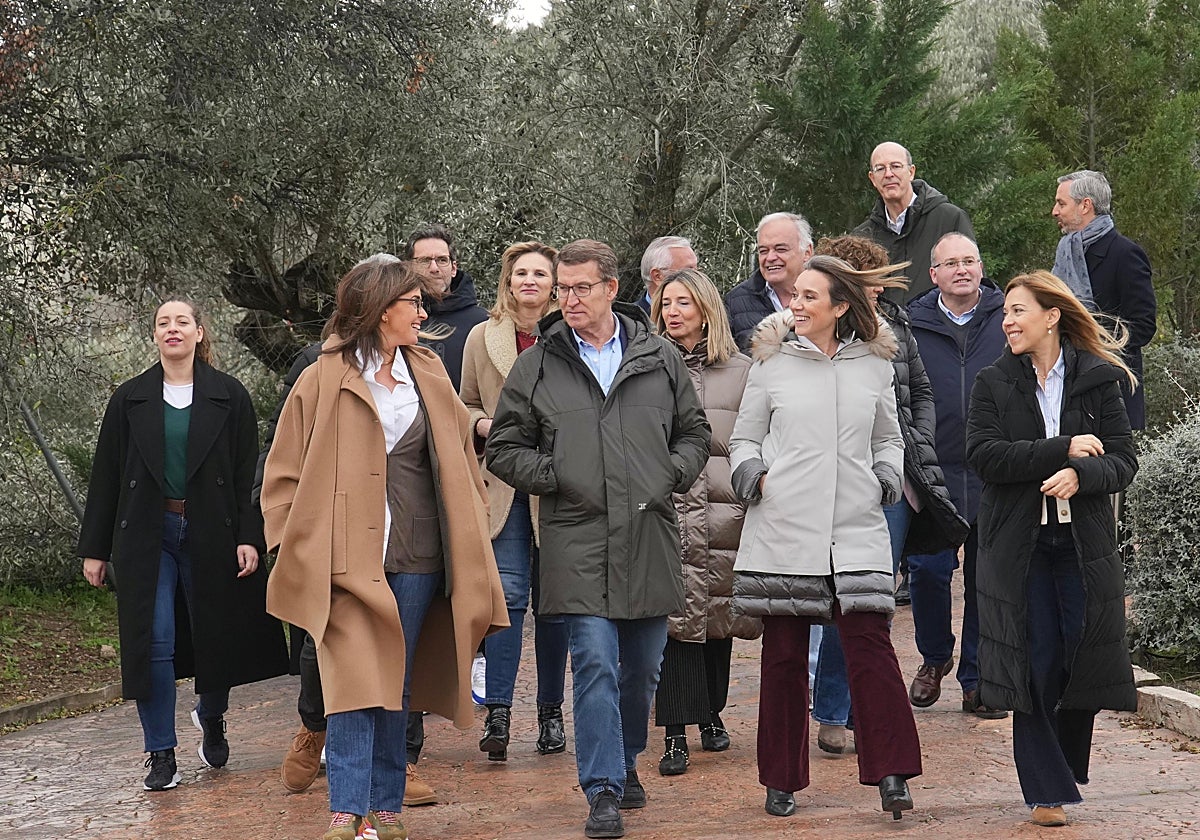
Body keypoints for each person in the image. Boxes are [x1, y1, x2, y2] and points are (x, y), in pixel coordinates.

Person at [262, 254, 507, 840]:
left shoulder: (428, 370)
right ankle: (347, 809)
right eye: (413, 303)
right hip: (345, 557)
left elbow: (459, 455)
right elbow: (283, 471)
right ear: (379, 311)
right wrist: (287, 544)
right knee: (350, 682)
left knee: (396, 683)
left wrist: (472, 522)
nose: (424, 312)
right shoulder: (322, 376)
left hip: (420, 552)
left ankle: (388, 806)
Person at [486, 239, 710, 839]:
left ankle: (627, 755)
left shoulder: (659, 357)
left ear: (612, 289)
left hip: (647, 534)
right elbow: (502, 448)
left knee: (640, 671)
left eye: (581, 287)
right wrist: (558, 475)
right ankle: (603, 788)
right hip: (576, 539)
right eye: (563, 288)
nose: (570, 299)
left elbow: (695, 434)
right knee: (593, 664)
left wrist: (669, 475)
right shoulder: (537, 365)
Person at [730, 255, 922, 820]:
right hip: (784, 528)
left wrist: (886, 478)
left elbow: (890, 438)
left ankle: (892, 774)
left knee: (871, 647)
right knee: (784, 656)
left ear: (840, 307)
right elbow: (743, 439)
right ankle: (780, 778)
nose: (797, 303)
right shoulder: (769, 363)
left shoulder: (875, 365)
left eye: (811, 296)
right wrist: (754, 478)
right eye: (796, 294)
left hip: (857, 527)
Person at [78, 299, 288, 792]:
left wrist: (249, 537)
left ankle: (212, 717)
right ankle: (160, 752)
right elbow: (106, 476)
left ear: (199, 332)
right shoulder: (129, 399)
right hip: (148, 536)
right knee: (155, 639)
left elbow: (244, 476)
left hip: (212, 531)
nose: (172, 329)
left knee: (212, 633)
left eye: (182, 322)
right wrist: (95, 548)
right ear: (154, 336)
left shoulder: (229, 396)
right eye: (162, 323)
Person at [966, 270, 1138, 828]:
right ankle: (1045, 789)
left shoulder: (1098, 379)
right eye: (1006, 314)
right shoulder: (994, 381)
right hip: (1020, 546)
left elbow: (1122, 462)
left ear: (1052, 316)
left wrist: (1081, 476)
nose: (1007, 322)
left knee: (1078, 654)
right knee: (1034, 660)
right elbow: (986, 457)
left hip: (1081, 544)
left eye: (1017, 311)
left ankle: (1062, 769)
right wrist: (1060, 450)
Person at [808, 237, 969, 755]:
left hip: (897, 483)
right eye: (869, 279)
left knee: (875, 597)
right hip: (839, 483)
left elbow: (921, 392)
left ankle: (866, 711)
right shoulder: (821, 336)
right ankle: (835, 711)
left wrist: (912, 441)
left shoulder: (899, 328)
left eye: (881, 278)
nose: (878, 289)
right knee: (847, 594)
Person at [459, 241, 571, 761]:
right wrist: (482, 425)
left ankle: (551, 715)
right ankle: (499, 714)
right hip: (502, 481)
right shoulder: (483, 337)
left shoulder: (569, 335)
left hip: (559, 481)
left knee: (555, 605)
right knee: (506, 597)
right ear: (508, 281)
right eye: (521, 273)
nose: (530, 281)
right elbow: (464, 403)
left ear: (554, 283)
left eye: (540, 274)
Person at [648, 267, 761, 777]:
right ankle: (674, 731)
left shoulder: (741, 371)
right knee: (674, 623)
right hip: (666, 509)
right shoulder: (646, 366)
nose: (672, 312)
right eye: (666, 303)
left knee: (717, 620)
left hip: (722, 511)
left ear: (706, 310)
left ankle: (711, 712)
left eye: (683, 303)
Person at [904, 233, 1009, 719]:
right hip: (933, 466)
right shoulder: (912, 322)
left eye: (969, 261)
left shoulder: (1007, 316)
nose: (961, 270)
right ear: (934, 274)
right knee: (927, 570)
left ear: (981, 266)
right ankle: (934, 656)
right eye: (951, 263)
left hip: (994, 466)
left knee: (986, 574)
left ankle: (977, 678)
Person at [1051, 170, 1156, 430]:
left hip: (1112, 393)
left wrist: (1092, 339)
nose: (1054, 211)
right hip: (1066, 387)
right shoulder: (1066, 253)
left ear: (1085, 205)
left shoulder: (1125, 254)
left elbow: (1143, 325)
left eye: (1061, 203)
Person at [854, 141, 975, 303]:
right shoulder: (863, 237)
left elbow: (973, 281)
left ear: (911, 172)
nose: (888, 174)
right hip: (884, 327)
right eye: (880, 168)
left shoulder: (949, 219)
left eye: (896, 166)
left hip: (937, 326)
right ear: (872, 178)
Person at [405, 223, 489, 390]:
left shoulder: (483, 323)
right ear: (409, 267)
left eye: (442, 260)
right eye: (424, 261)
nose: (434, 268)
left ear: (453, 268)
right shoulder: (397, 319)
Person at [725, 212, 814, 351]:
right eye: (763, 251)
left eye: (780, 249)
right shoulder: (735, 302)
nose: (770, 257)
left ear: (807, 252)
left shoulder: (831, 295)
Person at [636, 236, 698, 314]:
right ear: (657, 276)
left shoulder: (704, 313)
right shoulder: (630, 322)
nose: (697, 277)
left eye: (697, 270)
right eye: (689, 271)